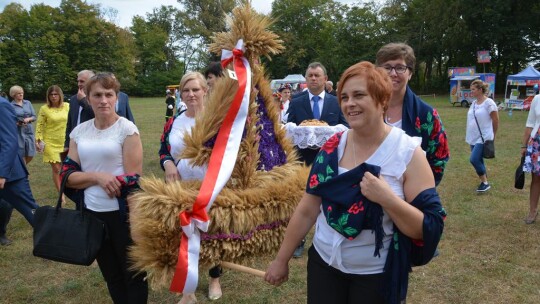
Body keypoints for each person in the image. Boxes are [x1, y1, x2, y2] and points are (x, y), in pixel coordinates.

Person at [265, 61, 445, 304]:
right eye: (344, 97)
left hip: (375, 276)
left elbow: (427, 227)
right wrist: (281, 259)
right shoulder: (331, 146)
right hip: (323, 265)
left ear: (382, 100)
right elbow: (308, 210)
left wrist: (387, 199)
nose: (349, 104)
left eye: (359, 95)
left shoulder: (408, 153)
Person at [62, 73, 147, 303]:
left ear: (116, 98)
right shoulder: (79, 132)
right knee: (111, 275)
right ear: (87, 98)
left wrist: (136, 226)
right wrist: (97, 177)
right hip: (92, 215)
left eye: (109, 94)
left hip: (122, 217)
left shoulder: (127, 130)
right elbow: (67, 175)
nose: (103, 100)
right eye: (97, 95)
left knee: (134, 274)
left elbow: (133, 181)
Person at [159, 72, 221, 303]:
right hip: (181, 188)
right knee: (185, 235)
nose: (191, 94)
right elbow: (163, 150)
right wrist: (167, 165)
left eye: (195, 89)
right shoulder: (174, 121)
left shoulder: (217, 120)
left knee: (212, 234)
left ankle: (215, 277)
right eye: (186, 90)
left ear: (205, 91)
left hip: (211, 188)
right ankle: (189, 289)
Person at [375, 43, 449, 186]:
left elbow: (439, 160)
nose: (393, 73)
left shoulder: (426, 114)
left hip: (411, 198)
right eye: (387, 67)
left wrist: (419, 191)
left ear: (410, 73)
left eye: (400, 67)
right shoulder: (367, 107)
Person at [287, 62, 349, 165]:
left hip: (331, 159)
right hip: (303, 162)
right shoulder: (295, 102)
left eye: (317, 75)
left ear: (325, 79)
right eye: (310, 76)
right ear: (306, 79)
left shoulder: (337, 102)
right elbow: (290, 130)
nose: (313, 78)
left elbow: (346, 127)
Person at [0, 95, 39, 246]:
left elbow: (9, 142)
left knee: (31, 210)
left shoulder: (2, 106)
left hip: (9, 173)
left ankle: (55, 242)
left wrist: (2, 173)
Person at [64, 70, 135, 150]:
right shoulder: (73, 99)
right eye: (78, 81)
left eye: (82, 81)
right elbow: (69, 124)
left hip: (94, 143)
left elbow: (101, 114)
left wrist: (83, 101)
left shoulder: (127, 127)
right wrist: (66, 145)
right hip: (75, 142)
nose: (79, 84)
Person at [35, 85, 70, 203]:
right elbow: (39, 124)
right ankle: (61, 194)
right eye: (51, 94)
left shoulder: (67, 106)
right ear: (48, 96)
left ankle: (69, 188)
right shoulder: (44, 108)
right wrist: (38, 139)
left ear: (60, 95)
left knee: (66, 168)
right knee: (56, 169)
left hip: (64, 141)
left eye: (56, 94)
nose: (54, 97)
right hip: (50, 142)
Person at [465, 79, 498, 192]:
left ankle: (485, 183)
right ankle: (484, 180)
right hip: (473, 136)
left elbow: (495, 120)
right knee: (478, 159)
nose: (471, 92)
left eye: (473, 89)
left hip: (484, 136)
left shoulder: (489, 103)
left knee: (474, 159)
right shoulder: (474, 103)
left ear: (480, 90)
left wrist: (493, 135)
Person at [523, 91, 540, 224]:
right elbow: (530, 123)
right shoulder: (537, 99)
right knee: (536, 178)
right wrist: (523, 146)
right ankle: (532, 210)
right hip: (537, 143)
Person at [10, 85, 37, 164]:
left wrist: (28, 119)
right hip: (18, 132)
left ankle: (22, 168)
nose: (21, 94)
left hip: (29, 131)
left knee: (31, 153)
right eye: (19, 93)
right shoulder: (10, 106)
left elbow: (34, 116)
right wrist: (17, 123)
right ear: (14, 95)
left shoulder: (28, 103)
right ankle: (23, 172)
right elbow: (10, 120)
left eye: (22, 93)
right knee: (21, 153)